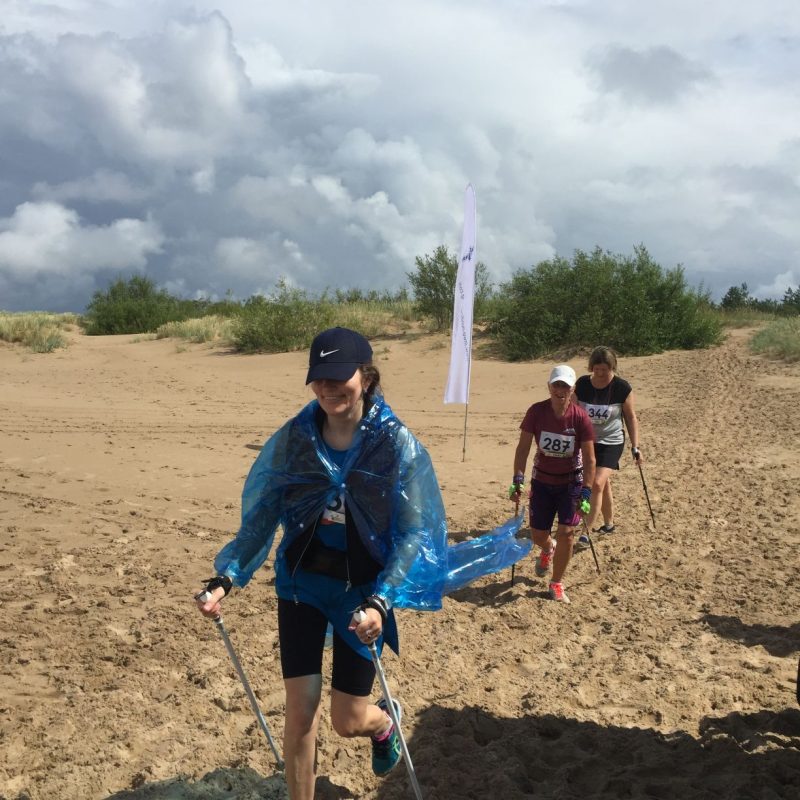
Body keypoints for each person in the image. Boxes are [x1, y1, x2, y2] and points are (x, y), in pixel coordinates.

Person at [194, 327, 450, 800]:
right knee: (301, 709)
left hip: (362, 594)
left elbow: (415, 531)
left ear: (366, 378)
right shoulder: (297, 439)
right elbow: (264, 514)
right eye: (320, 378)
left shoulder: (395, 444)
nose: (329, 388)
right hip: (302, 584)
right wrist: (227, 577)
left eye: (340, 377)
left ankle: (383, 723)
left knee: (346, 719)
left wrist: (382, 600)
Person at [509, 365, 596, 603]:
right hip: (542, 481)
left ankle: (556, 582)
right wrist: (517, 479)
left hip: (571, 482)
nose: (560, 390)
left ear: (572, 389)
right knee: (538, 535)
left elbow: (590, 459)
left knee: (567, 533)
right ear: (549, 386)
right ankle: (549, 548)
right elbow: (523, 448)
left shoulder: (580, 417)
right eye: (556, 385)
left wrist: (586, 491)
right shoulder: (536, 412)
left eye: (565, 386)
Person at [573, 346, 641, 550]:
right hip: (587, 442)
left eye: (605, 369)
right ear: (591, 367)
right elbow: (572, 411)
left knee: (595, 484)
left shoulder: (622, 387)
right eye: (597, 369)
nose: (601, 374)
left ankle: (585, 533)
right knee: (603, 484)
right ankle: (609, 524)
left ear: (613, 367)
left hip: (612, 441)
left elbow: (630, 418)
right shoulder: (582, 384)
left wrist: (636, 446)